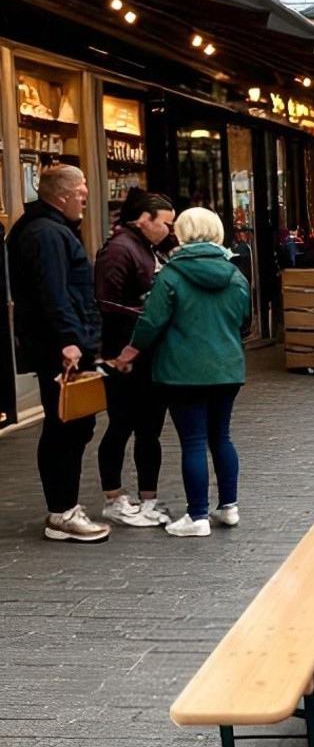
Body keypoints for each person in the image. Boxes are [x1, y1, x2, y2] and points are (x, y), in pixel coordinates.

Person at [115, 208, 251, 537]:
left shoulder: (172, 275)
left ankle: (197, 516)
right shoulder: (235, 275)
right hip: (227, 369)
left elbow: (151, 321)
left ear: (184, 233)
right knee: (222, 437)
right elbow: (244, 322)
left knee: (192, 442)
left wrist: (130, 352)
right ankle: (228, 507)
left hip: (182, 372)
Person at [8, 164, 110, 543]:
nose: (86, 195)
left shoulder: (47, 228)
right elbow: (54, 292)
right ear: (63, 194)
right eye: (82, 189)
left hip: (63, 343)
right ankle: (62, 512)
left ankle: (64, 508)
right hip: (61, 348)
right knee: (65, 426)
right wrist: (70, 341)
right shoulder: (46, 233)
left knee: (71, 424)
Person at [94, 189, 175, 528]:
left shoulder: (149, 247)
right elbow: (106, 303)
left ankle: (148, 499)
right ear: (145, 220)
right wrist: (147, 315)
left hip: (148, 355)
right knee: (122, 424)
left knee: (149, 429)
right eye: (165, 224)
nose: (169, 230)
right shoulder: (118, 250)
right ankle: (113, 497)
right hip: (123, 355)